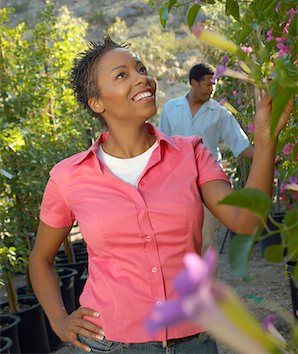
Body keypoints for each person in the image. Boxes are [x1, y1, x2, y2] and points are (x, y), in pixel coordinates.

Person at [29, 36, 292, 354]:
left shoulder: (191, 154)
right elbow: (41, 260)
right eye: (122, 75)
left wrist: (265, 141)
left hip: (194, 341)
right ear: (96, 102)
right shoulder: (68, 176)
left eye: (141, 68)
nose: (142, 77)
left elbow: (247, 221)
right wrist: (59, 320)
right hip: (111, 343)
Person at [158, 63, 254, 252]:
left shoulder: (220, 113)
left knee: (207, 241)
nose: (212, 89)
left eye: (214, 84)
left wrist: (269, 155)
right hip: (177, 185)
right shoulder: (171, 108)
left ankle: (207, 282)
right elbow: (162, 146)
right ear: (193, 83)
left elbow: (241, 147)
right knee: (180, 242)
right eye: (207, 84)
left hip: (208, 184)